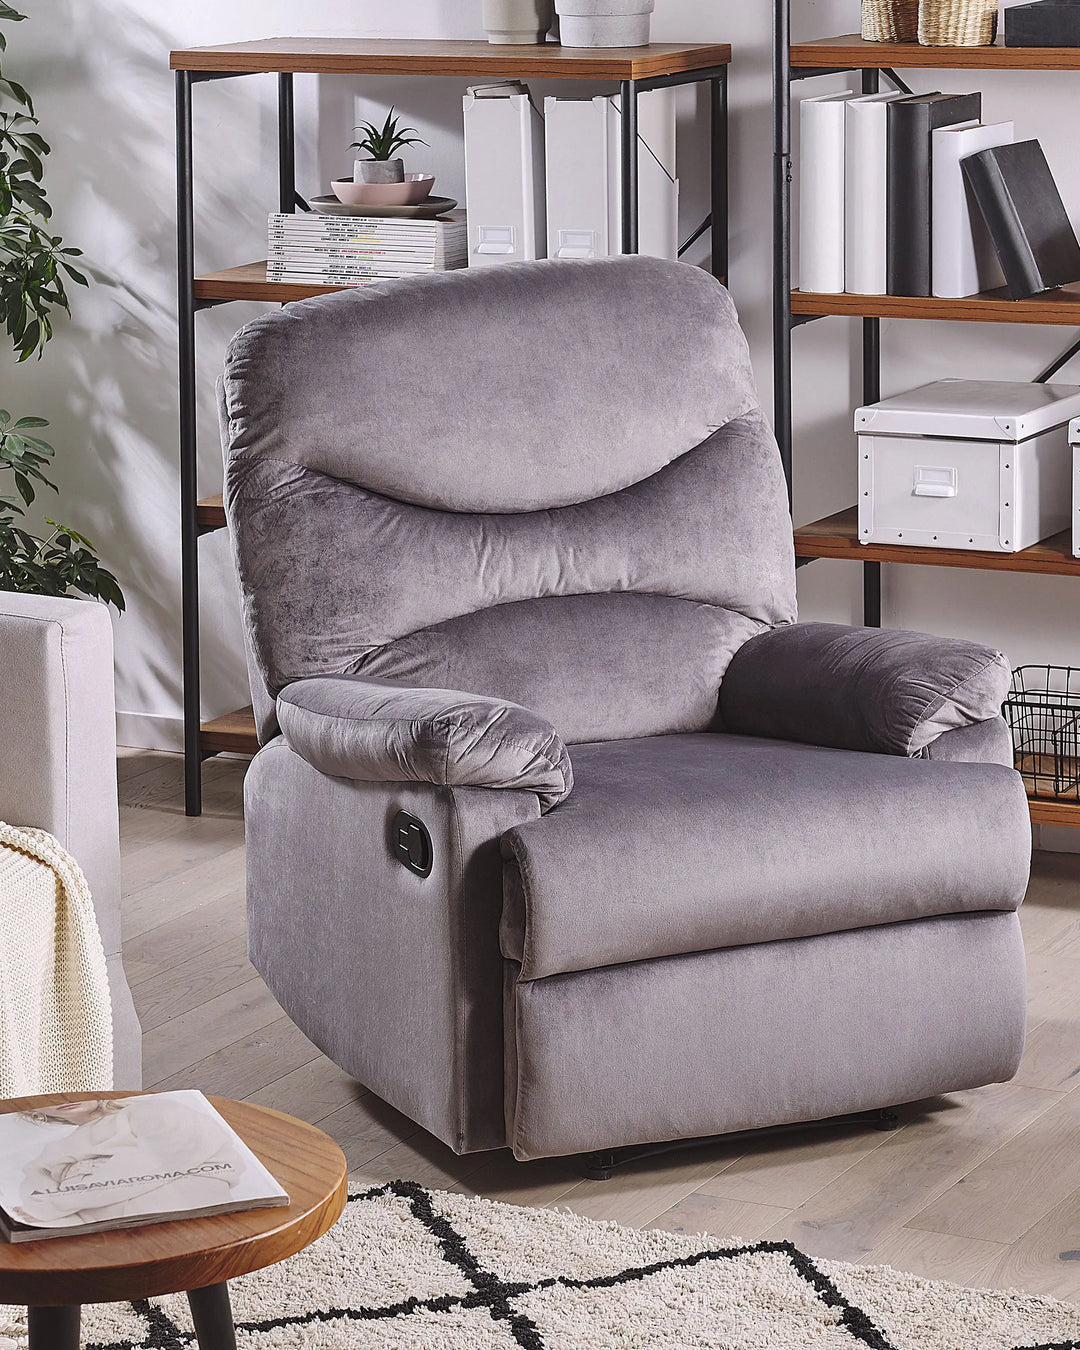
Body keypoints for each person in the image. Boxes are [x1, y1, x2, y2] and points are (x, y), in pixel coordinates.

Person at [13, 1096, 241, 1226]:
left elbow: (164, 1155)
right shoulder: (53, 1152)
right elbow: (33, 1192)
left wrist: (61, 1201)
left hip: (178, 1207)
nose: (65, 1097)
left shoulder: (151, 1109)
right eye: (50, 1093)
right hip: (112, 1229)